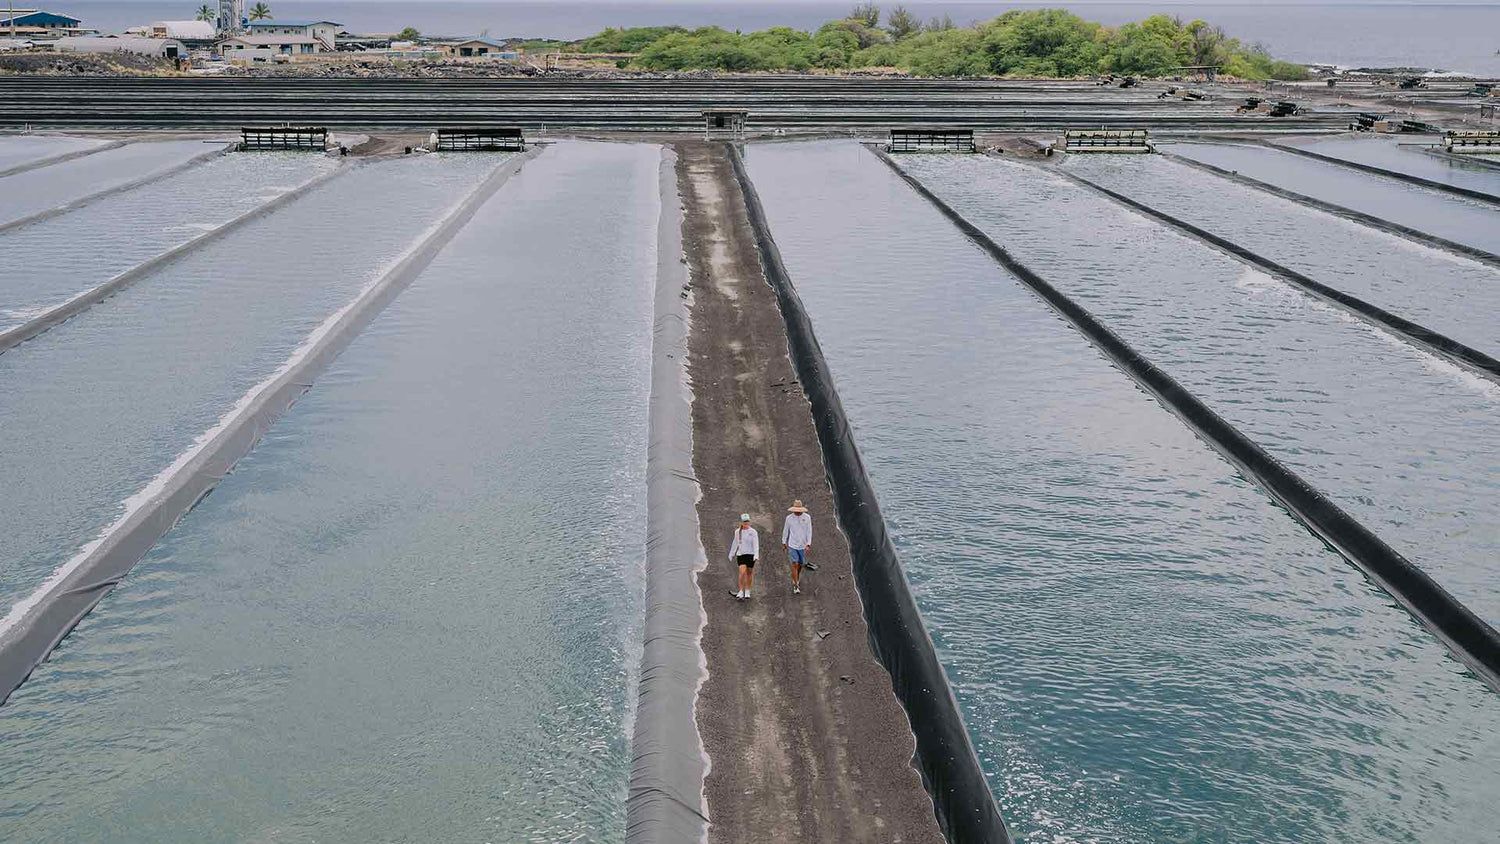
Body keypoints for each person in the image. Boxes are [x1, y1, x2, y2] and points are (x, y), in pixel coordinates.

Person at [782, 500, 813, 595]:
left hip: (802, 545)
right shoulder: (789, 518)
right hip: (792, 545)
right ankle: (796, 586)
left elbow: (809, 531)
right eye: (796, 510)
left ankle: (796, 577)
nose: (797, 512)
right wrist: (784, 542)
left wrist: (808, 543)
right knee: (794, 564)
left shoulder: (807, 518)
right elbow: (786, 530)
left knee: (801, 564)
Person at [728, 514, 759, 601]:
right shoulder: (738, 532)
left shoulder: (753, 532)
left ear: (749, 522)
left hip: (751, 555)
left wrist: (756, 555)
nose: (746, 523)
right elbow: (735, 543)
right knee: (742, 572)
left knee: (749, 572)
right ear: (741, 522)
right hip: (741, 554)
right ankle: (741, 591)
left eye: (747, 521)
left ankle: (748, 590)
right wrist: (731, 553)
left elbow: (756, 544)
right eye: (744, 521)